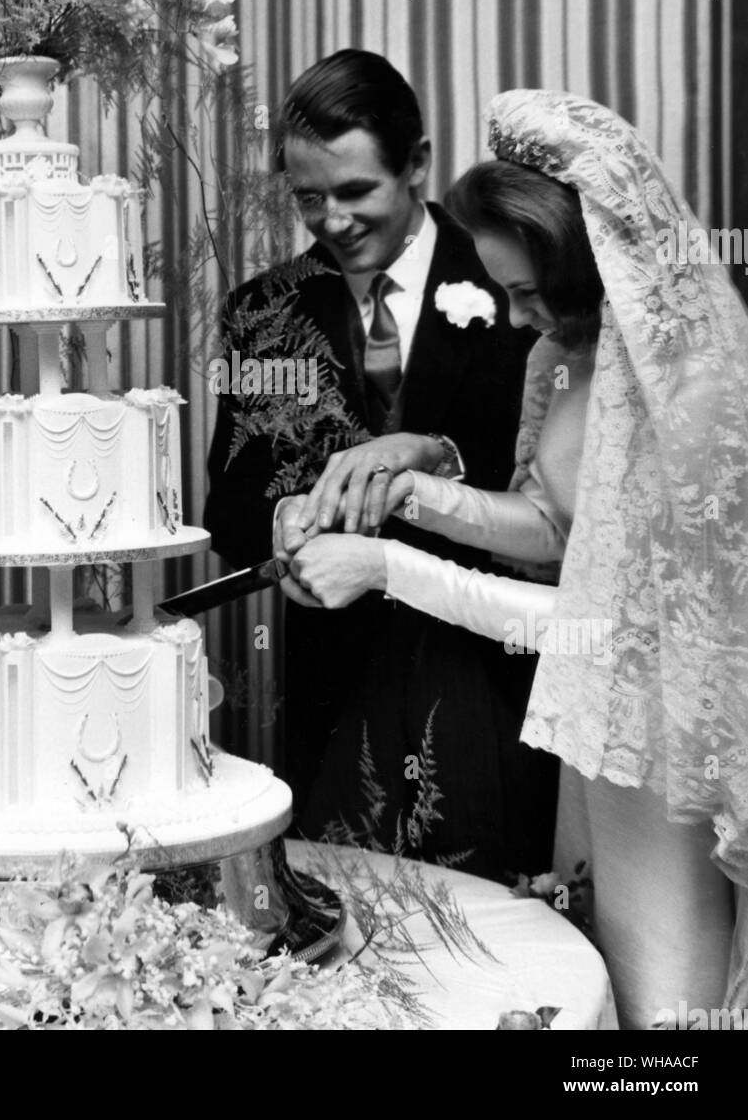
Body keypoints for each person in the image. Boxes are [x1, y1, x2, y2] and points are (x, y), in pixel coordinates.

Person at [282, 88, 748, 1028]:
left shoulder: (689, 390)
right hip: (593, 746)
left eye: (532, 292)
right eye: (505, 293)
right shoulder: (559, 357)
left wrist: (385, 569)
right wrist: (407, 494)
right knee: (604, 984)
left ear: (590, 262)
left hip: (668, 746)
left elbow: (603, 627)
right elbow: (550, 531)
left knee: (668, 1007)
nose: (519, 317)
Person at [204, 50, 557, 881]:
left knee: (497, 929)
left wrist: (444, 455)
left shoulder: (515, 277)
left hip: (492, 672)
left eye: (356, 191)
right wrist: (285, 521)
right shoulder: (263, 310)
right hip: (336, 682)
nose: (331, 221)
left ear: (418, 164)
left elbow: (565, 496)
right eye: (308, 199)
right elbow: (228, 503)